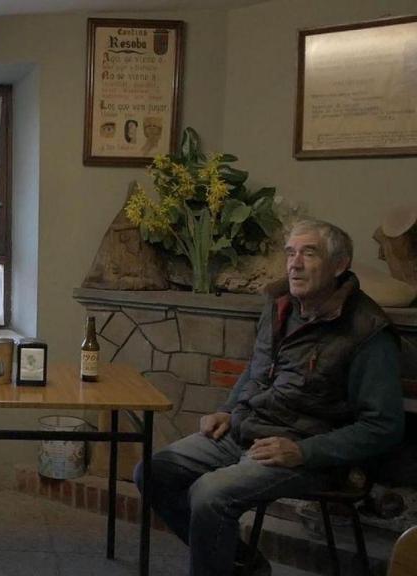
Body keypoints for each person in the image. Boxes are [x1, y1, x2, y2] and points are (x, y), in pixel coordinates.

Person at [134, 219, 404, 576]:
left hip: (309, 454)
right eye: (290, 253)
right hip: (246, 430)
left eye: (309, 253)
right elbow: (256, 369)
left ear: (340, 265)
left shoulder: (368, 331)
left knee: (209, 494)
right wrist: (228, 410)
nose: (295, 263)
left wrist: (303, 451)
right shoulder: (279, 305)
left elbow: (383, 426)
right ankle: (241, 565)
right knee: (153, 472)